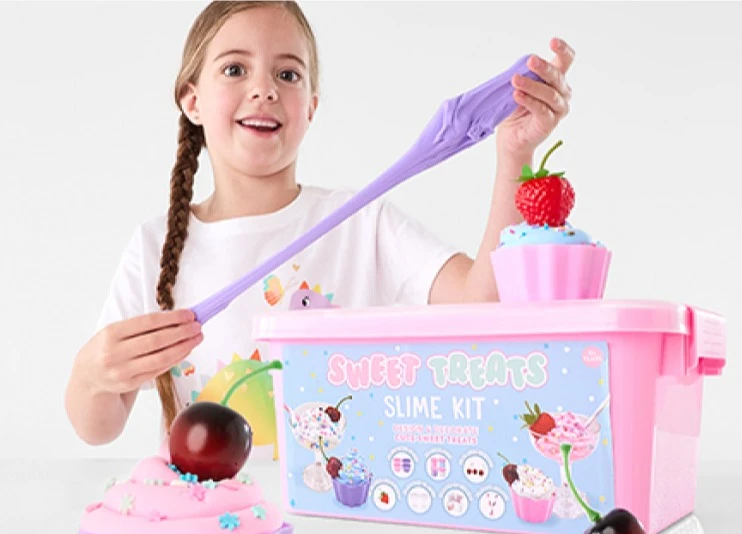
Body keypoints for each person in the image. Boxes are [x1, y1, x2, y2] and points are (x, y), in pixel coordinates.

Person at [64, 1, 574, 449]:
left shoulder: (359, 223)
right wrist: (92, 375)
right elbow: (98, 426)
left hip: (338, 526)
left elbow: (483, 305)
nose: (263, 89)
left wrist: (515, 155)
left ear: (310, 108)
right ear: (192, 100)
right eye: (235, 69)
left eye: (287, 75)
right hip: (208, 530)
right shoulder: (153, 246)